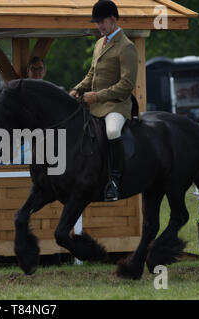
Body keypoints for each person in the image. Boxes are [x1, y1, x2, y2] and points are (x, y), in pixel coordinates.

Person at [69, 0, 138, 202]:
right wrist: (78, 88)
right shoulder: (100, 43)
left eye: (102, 22)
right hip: (95, 102)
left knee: (112, 131)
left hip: (117, 103)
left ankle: (115, 181)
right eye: (97, 22)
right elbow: (92, 74)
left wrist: (97, 96)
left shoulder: (127, 47)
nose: (99, 26)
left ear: (114, 20)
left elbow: (126, 84)